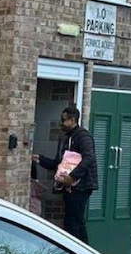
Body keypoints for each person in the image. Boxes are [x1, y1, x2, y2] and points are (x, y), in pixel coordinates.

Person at [33, 104, 98, 243]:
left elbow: (89, 158)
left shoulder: (83, 137)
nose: (61, 123)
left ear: (73, 120)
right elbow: (59, 164)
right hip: (70, 187)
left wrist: (73, 177)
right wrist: (41, 160)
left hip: (81, 186)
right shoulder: (66, 138)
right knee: (73, 221)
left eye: (63, 120)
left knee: (74, 222)